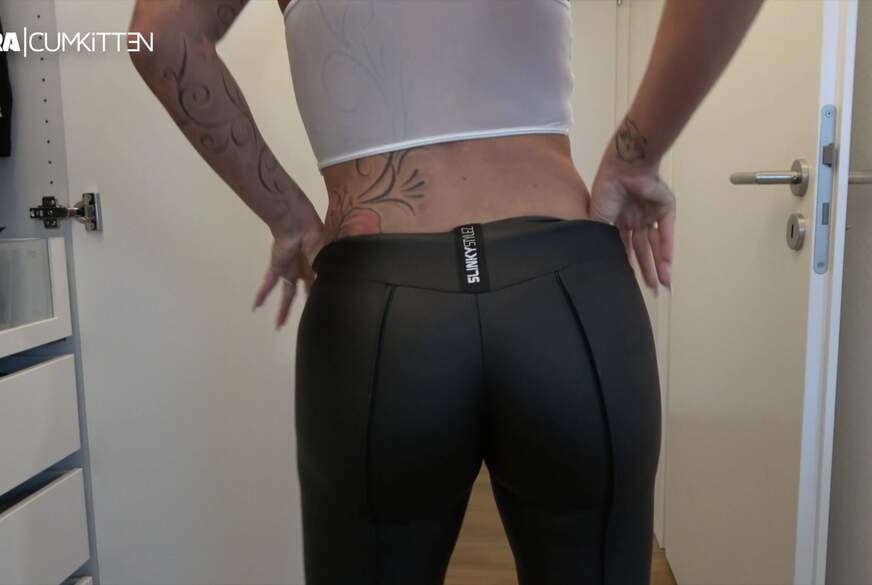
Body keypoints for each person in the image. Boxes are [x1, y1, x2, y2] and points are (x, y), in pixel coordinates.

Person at [128, 0, 764, 583]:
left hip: (378, 306)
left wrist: (291, 219)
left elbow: (158, 36)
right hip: (568, 296)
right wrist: (636, 158)